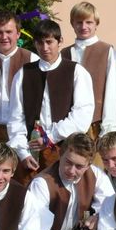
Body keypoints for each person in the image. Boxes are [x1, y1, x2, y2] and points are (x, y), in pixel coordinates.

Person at [7, 20, 94, 186]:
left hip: (64, 150)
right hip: (30, 152)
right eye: (40, 43)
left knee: (59, 194)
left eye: (49, 42)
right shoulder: (24, 73)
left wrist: (50, 138)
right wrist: (23, 153)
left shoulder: (77, 72)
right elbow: (16, 117)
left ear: (60, 41)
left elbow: (81, 115)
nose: (45, 48)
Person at [31, 133, 114, 230]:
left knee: (104, 226)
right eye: (68, 162)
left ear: (88, 165)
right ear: (60, 154)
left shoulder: (95, 175)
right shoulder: (42, 183)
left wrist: (98, 215)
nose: (71, 170)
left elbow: (109, 206)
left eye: (79, 167)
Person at [60, 2, 116, 140]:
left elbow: (114, 93)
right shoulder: (64, 54)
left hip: (96, 127)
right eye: (79, 22)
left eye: (89, 22)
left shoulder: (108, 52)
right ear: (72, 24)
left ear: (96, 24)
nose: (84, 27)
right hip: (67, 127)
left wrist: (109, 129)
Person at [0, 11, 39, 153]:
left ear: (18, 34)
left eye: (9, 32)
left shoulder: (32, 60)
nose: (4, 37)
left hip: (22, 130)